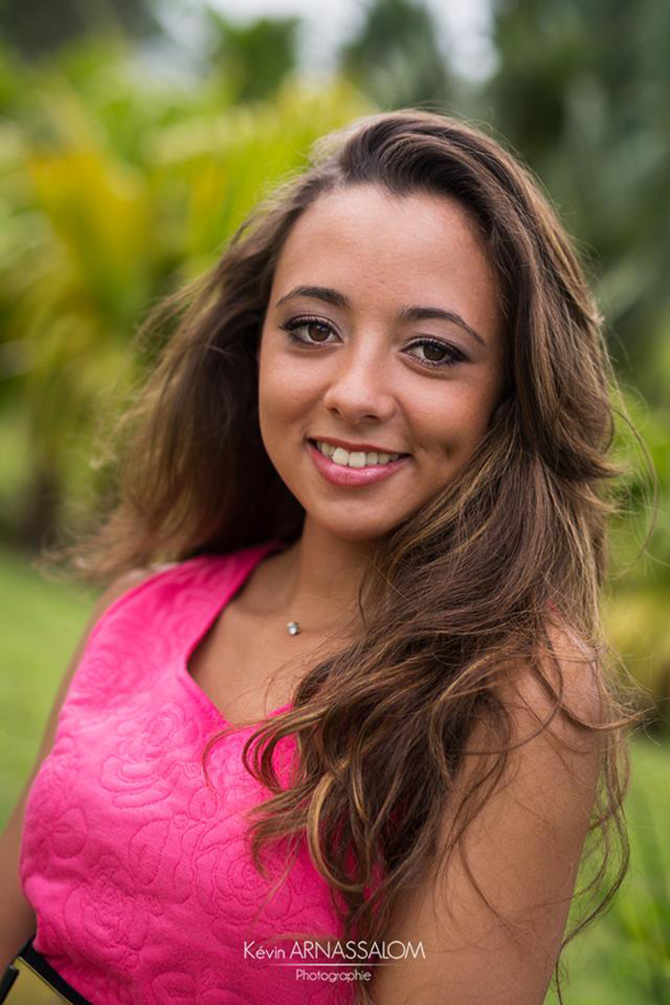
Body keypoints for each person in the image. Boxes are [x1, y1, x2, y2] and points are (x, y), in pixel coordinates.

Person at [0, 109, 641, 1005]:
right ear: (252, 345)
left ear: (510, 395)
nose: (355, 392)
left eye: (432, 350)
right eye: (312, 329)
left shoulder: (517, 692)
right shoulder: (143, 609)